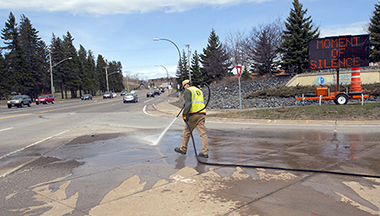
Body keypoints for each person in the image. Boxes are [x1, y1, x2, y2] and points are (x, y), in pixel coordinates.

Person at [174, 80, 209, 158]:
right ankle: (205, 152)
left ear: (186, 85)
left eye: (184, 86)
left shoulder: (188, 91)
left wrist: (184, 114)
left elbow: (189, 103)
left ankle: (183, 149)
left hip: (193, 115)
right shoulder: (199, 91)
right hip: (201, 114)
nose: (184, 88)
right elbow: (194, 101)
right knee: (203, 134)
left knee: (186, 132)